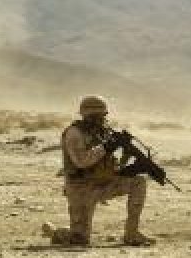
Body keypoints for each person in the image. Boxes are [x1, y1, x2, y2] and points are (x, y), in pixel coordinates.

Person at [58, 95, 153, 247]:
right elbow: (81, 162)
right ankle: (59, 233)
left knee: (138, 181)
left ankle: (131, 233)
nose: (101, 119)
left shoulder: (102, 133)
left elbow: (110, 165)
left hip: (102, 184)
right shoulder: (74, 133)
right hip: (81, 189)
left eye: (103, 115)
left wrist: (129, 161)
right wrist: (106, 147)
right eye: (97, 116)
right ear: (86, 115)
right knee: (79, 241)